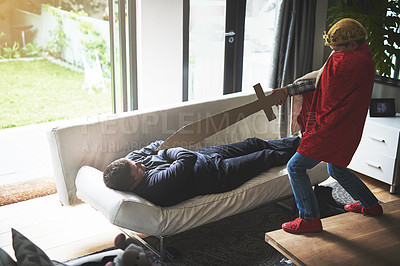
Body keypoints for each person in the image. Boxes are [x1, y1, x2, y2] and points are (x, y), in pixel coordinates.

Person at [272, 18, 383, 234]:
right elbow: (323, 77)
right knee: (337, 167)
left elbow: (319, 84)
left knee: (296, 167)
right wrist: (288, 89)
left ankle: (309, 219)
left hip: (332, 127)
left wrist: (288, 90)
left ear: (352, 44)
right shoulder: (364, 56)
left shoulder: (346, 63)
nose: (334, 53)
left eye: (337, 49)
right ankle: (371, 205)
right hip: (349, 126)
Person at [103, 137, 301, 206]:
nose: (138, 162)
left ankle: (300, 141)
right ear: (133, 184)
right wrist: (168, 155)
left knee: (254, 143)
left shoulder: (132, 161)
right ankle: (305, 151)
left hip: (206, 155)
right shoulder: (154, 186)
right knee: (266, 156)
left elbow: (160, 145)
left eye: (133, 161)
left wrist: (166, 155)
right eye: (136, 168)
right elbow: (186, 157)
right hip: (219, 176)